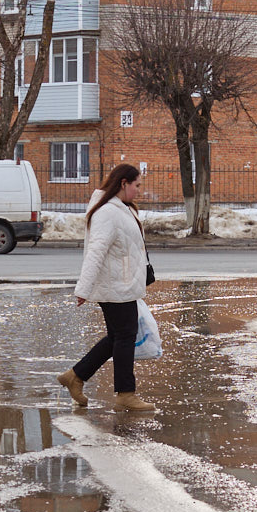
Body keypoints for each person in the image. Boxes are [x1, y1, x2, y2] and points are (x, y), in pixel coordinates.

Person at [57, 163, 154, 412]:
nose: (139, 191)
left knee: (117, 337)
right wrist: (83, 289)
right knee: (124, 336)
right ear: (124, 183)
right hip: (115, 286)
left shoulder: (121, 208)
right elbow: (95, 252)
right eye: (137, 185)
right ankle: (125, 393)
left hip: (123, 284)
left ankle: (75, 376)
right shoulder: (108, 213)